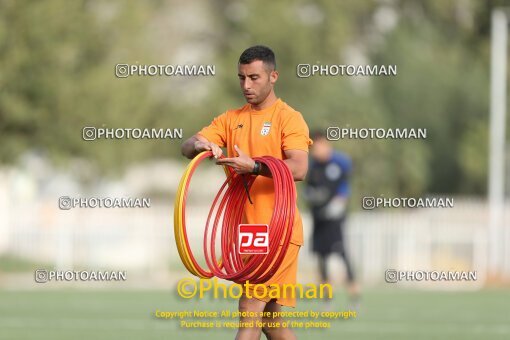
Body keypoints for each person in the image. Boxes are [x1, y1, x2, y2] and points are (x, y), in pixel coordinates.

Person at [181, 45, 312, 340]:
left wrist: (253, 166)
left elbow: (299, 168)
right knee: (272, 323)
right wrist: (201, 145)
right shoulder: (230, 119)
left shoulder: (288, 118)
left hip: (278, 232)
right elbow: (187, 146)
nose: (246, 85)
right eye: (241, 78)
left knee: (249, 311)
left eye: (254, 77)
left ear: (273, 76)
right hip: (248, 230)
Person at [304, 130, 360, 307]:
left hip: (335, 216)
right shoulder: (312, 165)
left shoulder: (341, 161)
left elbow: (345, 185)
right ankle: (326, 296)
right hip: (319, 216)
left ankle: (354, 294)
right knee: (321, 256)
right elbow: (308, 188)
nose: (316, 150)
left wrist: (339, 202)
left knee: (341, 253)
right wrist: (312, 197)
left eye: (319, 145)